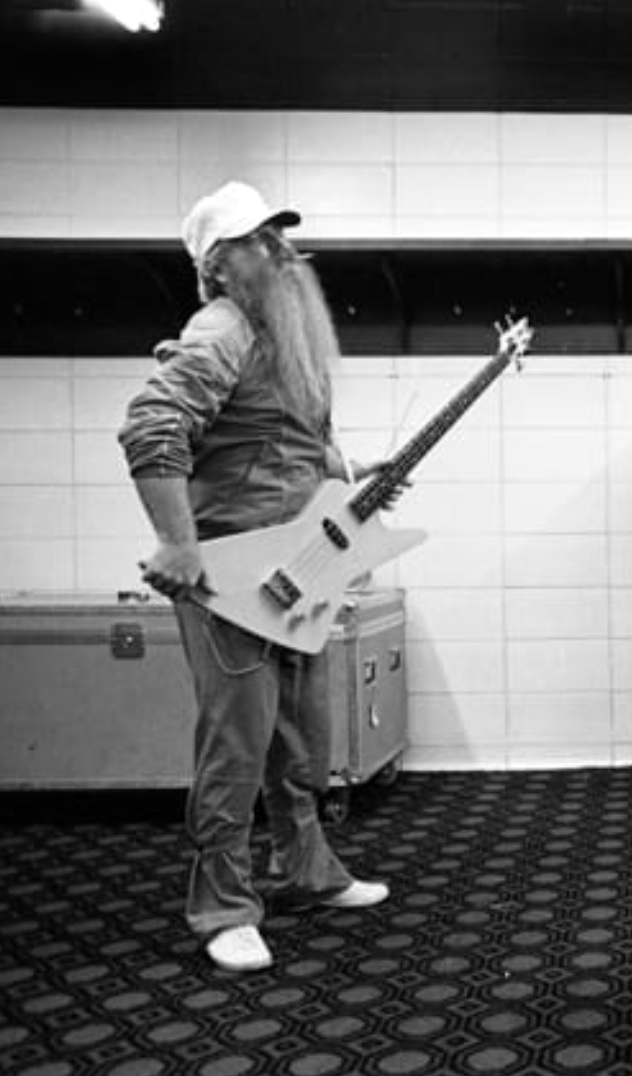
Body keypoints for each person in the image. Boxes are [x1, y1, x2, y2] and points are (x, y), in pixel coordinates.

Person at [118, 181, 392, 973]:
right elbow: (151, 425)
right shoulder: (221, 328)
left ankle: (306, 871)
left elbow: (287, 439)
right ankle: (223, 907)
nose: (280, 252)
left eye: (280, 237)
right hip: (233, 576)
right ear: (217, 265)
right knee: (236, 743)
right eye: (257, 241)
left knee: (301, 734)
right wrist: (177, 543)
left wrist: (350, 468)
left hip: (296, 571)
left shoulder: (284, 337)